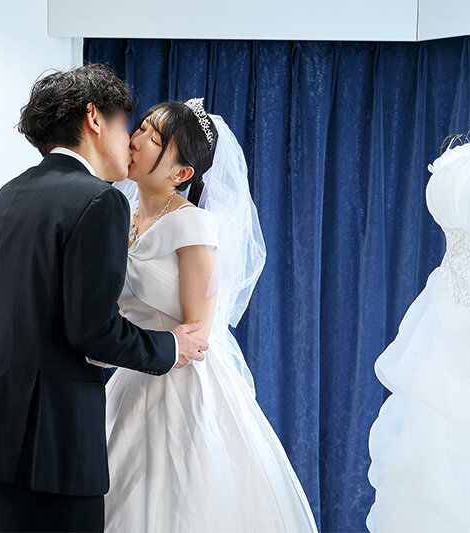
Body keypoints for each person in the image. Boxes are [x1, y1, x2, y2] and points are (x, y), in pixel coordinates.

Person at [0, 64, 209, 532]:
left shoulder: (7, 195)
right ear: (95, 119)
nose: (130, 142)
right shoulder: (99, 201)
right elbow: (93, 331)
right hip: (45, 451)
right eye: (128, 126)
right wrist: (171, 346)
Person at [102, 99, 319, 532]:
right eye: (141, 128)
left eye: (154, 139)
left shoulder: (192, 224)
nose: (136, 139)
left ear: (181, 174)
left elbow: (198, 330)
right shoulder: (122, 216)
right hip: (135, 370)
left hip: (182, 380)